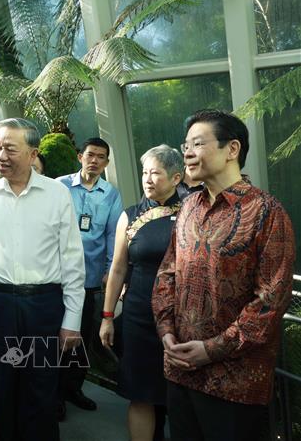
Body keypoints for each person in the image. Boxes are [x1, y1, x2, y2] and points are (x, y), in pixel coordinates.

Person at [152, 110, 295, 441]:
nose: (186, 152)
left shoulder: (267, 212)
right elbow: (167, 275)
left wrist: (212, 349)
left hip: (234, 384)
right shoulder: (187, 208)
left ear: (232, 149)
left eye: (198, 143)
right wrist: (166, 334)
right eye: (185, 144)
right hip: (180, 371)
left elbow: (270, 302)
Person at [0, 118, 85, 441]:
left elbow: (72, 260)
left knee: (41, 395)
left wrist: (72, 319)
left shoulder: (56, 194)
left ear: (32, 154)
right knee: (0, 395)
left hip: (43, 306)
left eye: (10, 148)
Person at [99, 145, 183, 441]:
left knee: (180, 396)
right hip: (138, 314)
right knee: (141, 394)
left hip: (181, 318)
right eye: (144, 172)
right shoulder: (130, 216)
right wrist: (108, 316)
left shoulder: (192, 211)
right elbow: (118, 268)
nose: (147, 179)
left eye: (155, 173)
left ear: (176, 178)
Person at [56, 137, 123, 415]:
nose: (94, 160)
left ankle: (74, 389)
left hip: (90, 280)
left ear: (106, 163)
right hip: (57, 279)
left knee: (81, 339)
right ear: (79, 156)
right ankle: (55, 395)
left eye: (101, 157)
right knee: (56, 339)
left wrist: (110, 268)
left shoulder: (110, 194)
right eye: (90, 155)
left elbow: (112, 234)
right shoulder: (59, 186)